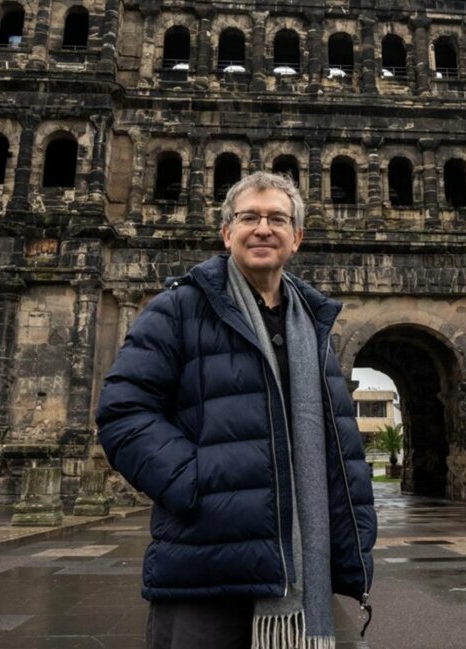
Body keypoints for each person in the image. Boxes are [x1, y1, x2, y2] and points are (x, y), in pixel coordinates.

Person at [97, 172, 376, 649]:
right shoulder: (177, 309)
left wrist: (354, 529)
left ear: (296, 238)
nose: (263, 228)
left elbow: (336, 445)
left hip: (298, 566)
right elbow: (124, 411)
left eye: (277, 219)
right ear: (227, 233)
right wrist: (197, 483)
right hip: (204, 561)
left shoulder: (314, 327)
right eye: (249, 217)